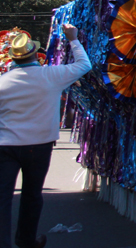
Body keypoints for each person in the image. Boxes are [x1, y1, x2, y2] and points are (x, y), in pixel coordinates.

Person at [0, 24, 91, 248]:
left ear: (12, 58)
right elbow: (84, 65)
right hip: (39, 146)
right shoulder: (51, 75)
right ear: (35, 54)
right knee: (32, 195)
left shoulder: (2, 82)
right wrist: (73, 39)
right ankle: (27, 240)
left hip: (5, 147)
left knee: (2, 199)